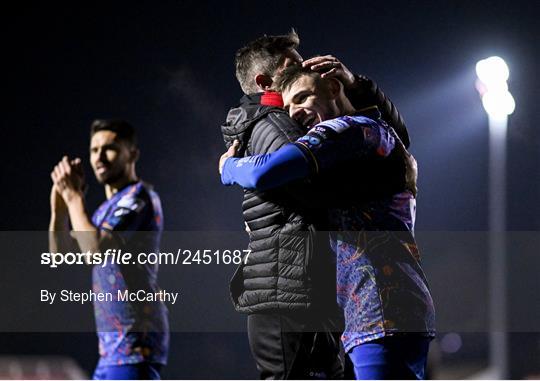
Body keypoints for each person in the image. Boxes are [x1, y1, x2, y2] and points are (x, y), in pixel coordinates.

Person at [219, 65, 436, 380]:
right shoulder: (373, 134)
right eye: (290, 106)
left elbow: (264, 172)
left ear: (334, 89)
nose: (297, 112)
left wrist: (228, 167)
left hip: (379, 306)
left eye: (304, 96)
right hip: (384, 307)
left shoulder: (347, 128)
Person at [49, 119, 169, 380]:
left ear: (132, 154)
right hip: (111, 353)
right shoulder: (106, 210)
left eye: (110, 148)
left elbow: (95, 251)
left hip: (135, 349)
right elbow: (61, 258)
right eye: (94, 150)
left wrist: (74, 198)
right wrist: (59, 207)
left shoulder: (138, 198)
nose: (99, 157)